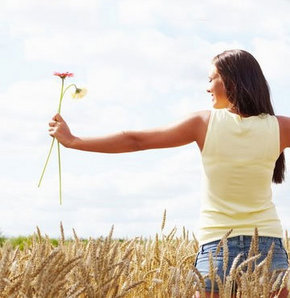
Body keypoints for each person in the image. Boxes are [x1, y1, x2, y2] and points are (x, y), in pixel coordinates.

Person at [48, 49, 289, 297]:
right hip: (268, 247)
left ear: (231, 80)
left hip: (218, 248)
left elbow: (136, 140)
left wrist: (74, 141)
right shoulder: (281, 127)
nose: (207, 88)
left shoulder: (204, 122)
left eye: (210, 79)